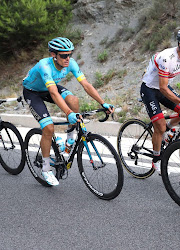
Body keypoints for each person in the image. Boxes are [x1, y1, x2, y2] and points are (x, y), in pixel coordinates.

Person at [23, 37, 114, 186]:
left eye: (69, 54)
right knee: (48, 127)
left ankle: (70, 138)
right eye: (64, 55)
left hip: (49, 88)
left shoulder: (70, 63)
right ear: (54, 55)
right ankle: (46, 169)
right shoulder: (44, 66)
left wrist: (103, 103)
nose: (67, 59)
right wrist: (69, 113)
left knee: (74, 100)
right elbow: (53, 93)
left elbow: (86, 84)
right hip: (33, 92)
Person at [140, 28, 180, 174]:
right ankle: (156, 159)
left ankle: (167, 130)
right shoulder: (166, 57)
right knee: (159, 127)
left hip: (164, 88)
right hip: (150, 90)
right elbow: (162, 87)